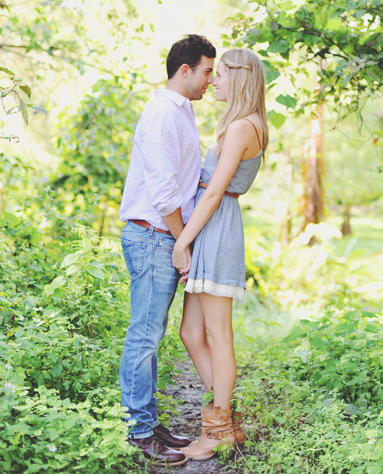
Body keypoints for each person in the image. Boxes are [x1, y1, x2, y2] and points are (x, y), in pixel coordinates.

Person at [118, 33, 217, 466]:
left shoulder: (181, 113)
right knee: (144, 335)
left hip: (163, 236)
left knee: (151, 335)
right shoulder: (163, 113)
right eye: (207, 71)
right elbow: (162, 191)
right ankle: (139, 432)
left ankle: (150, 423)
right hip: (155, 236)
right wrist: (181, 241)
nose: (211, 81)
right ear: (185, 70)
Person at [171, 48, 269, 461]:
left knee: (217, 335)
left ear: (241, 78)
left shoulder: (244, 127)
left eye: (222, 75)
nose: (214, 81)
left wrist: (182, 241)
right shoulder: (240, 124)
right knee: (191, 334)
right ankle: (226, 421)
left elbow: (213, 192)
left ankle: (217, 428)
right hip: (211, 229)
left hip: (218, 229)